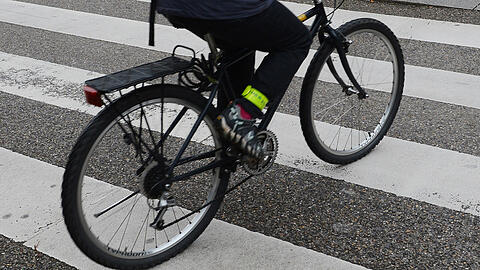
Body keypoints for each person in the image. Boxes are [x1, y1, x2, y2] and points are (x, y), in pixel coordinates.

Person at [156, 0, 312, 158]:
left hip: (173, 6)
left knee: (240, 42)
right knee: (297, 41)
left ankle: (229, 139)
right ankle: (242, 114)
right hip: (222, 6)